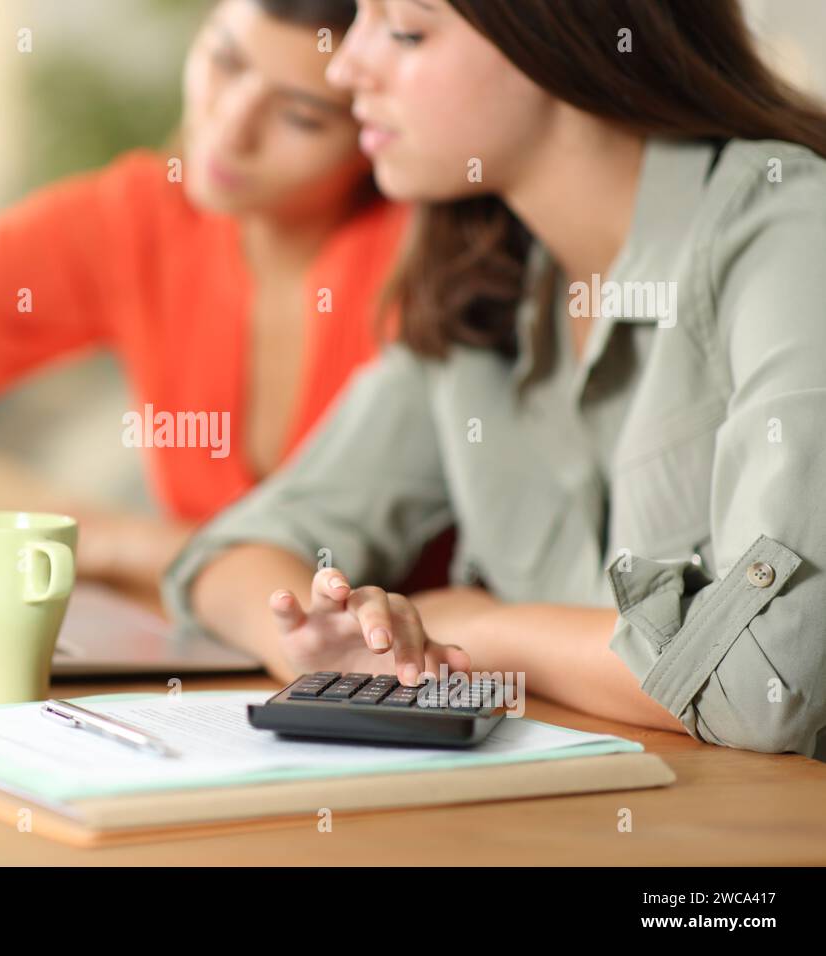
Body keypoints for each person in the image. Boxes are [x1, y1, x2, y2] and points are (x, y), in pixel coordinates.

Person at [164, 0, 826, 757]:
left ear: (556, 35)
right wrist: (323, 641)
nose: (346, 68)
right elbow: (230, 552)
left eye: (405, 30)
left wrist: (477, 626)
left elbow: (768, 680)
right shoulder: (480, 277)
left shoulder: (793, 234)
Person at [0, 0, 453, 595]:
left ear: (373, 128)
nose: (230, 130)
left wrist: (134, 547)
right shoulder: (147, 214)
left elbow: (346, 569)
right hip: (222, 667)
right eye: (223, 62)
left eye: (302, 117)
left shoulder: (433, 258)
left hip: (405, 695)